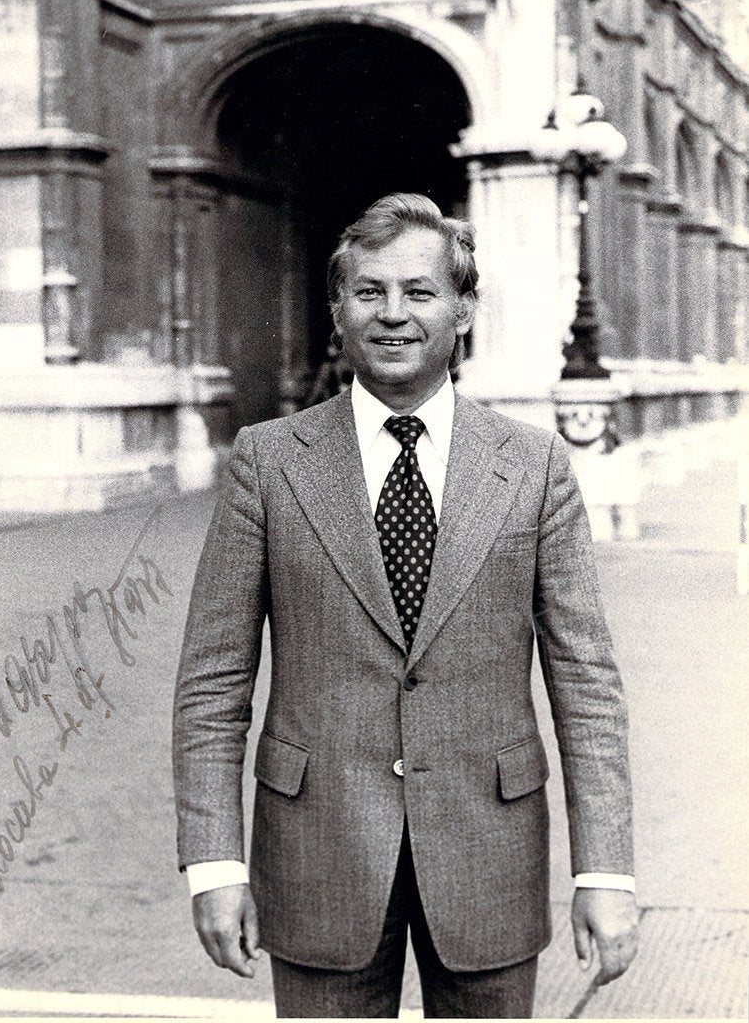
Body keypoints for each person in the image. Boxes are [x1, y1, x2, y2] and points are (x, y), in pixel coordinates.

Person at [172, 193, 638, 1018]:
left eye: (420, 292)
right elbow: (213, 683)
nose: (393, 313)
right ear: (339, 310)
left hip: (490, 853)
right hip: (317, 853)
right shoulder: (268, 463)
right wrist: (214, 864)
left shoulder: (533, 467)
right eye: (370, 291)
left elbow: (586, 684)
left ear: (463, 311)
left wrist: (604, 871)